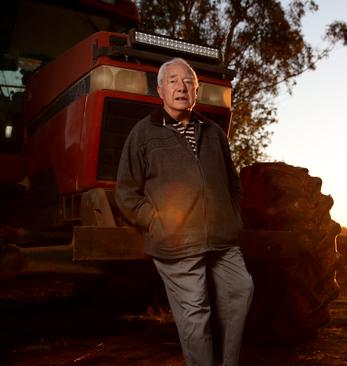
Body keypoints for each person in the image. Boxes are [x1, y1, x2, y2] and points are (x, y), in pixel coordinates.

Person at [115, 57, 253, 366]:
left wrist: (231, 217)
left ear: (197, 90)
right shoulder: (143, 134)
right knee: (195, 312)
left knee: (240, 290)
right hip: (176, 242)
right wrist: (156, 221)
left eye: (188, 81)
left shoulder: (213, 132)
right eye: (173, 81)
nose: (181, 87)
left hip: (221, 238)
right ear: (160, 90)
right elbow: (125, 192)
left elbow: (233, 184)